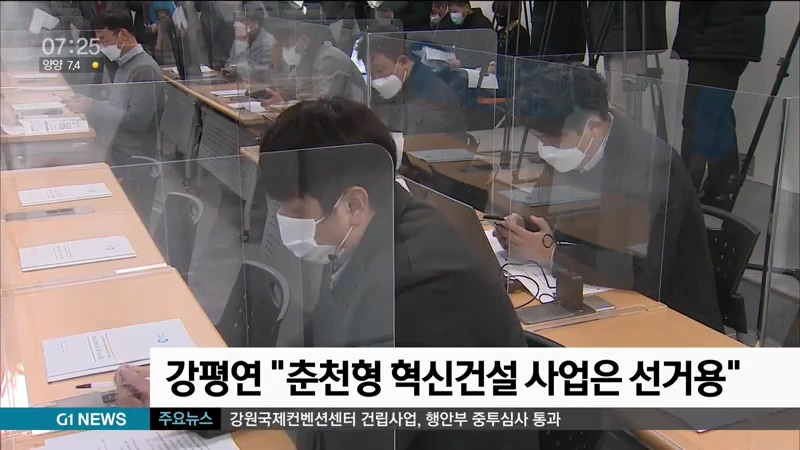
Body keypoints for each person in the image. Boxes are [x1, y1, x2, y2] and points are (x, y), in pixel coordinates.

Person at [115, 97, 540, 450]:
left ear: (353, 203)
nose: (284, 223)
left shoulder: (417, 289)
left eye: (296, 211)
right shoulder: (368, 233)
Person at [495, 63, 723, 331]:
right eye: (540, 140)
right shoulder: (575, 144)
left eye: (552, 142)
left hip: (669, 315)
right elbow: (540, 205)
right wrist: (519, 223)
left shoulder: (651, 166)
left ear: (592, 127)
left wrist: (552, 254)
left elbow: (642, 273)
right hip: (590, 292)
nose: (545, 150)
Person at [672, 1, 771, 209]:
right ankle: (718, 189)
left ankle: (686, 195)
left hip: (717, 34)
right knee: (715, 114)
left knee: (699, 117)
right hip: (725, 34)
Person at [66, 9, 164, 171]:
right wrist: (87, 102)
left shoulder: (145, 70)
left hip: (129, 157)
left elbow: (136, 121)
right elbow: (117, 106)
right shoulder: (124, 64)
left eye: (104, 40)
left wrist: (93, 106)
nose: (101, 47)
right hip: (112, 145)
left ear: (123, 34)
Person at [357, 31, 466, 140]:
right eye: (371, 75)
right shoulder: (399, 86)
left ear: (403, 62)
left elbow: (418, 142)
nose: (376, 80)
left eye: (380, 70)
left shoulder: (432, 98)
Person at [589, 1, 668, 115]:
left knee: (619, 107)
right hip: (621, 25)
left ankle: (620, 125)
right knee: (618, 106)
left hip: (623, 27)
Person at [264, 21, 366, 105]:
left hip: (350, 119)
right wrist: (276, 63)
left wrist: (285, 105)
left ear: (304, 40)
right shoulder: (306, 57)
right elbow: (288, 91)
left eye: (286, 46)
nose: (284, 51)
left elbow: (322, 104)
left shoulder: (329, 59)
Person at [222, 4, 274, 83]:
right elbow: (229, 64)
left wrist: (235, 69)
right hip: (241, 84)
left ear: (255, 23)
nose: (237, 24)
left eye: (243, 21)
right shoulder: (245, 40)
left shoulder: (266, 44)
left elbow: (259, 72)